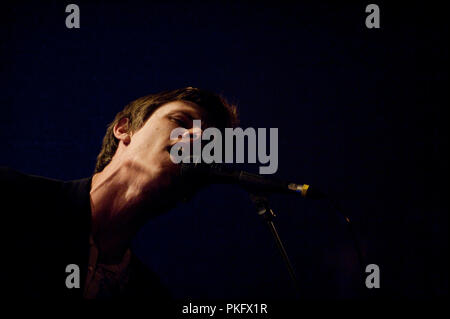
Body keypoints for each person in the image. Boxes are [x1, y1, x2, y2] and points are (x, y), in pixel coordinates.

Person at [0, 87, 238, 299]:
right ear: (124, 129)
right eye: (181, 121)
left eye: (208, 144)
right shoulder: (12, 196)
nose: (196, 139)